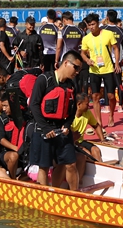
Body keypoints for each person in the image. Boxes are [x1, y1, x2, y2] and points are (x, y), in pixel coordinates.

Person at [28, 51, 82, 188]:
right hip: (43, 129)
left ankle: (73, 194)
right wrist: (46, 128)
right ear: (66, 63)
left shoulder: (72, 85)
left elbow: (73, 110)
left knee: (70, 164)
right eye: (76, 68)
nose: (77, 72)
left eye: (79, 69)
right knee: (44, 166)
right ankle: (45, 196)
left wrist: (67, 125)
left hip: (62, 129)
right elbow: (33, 105)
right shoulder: (44, 80)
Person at [81, 13, 121, 127]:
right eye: (89, 25)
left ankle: (111, 115)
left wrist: (117, 63)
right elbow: (82, 53)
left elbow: (116, 48)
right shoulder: (86, 38)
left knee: (111, 96)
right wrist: (87, 60)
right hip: (94, 70)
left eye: (93, 24)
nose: (91, 27)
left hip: (108, 69)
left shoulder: (108, 34)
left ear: (98, 23)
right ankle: (99, 121)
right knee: (95, 96)